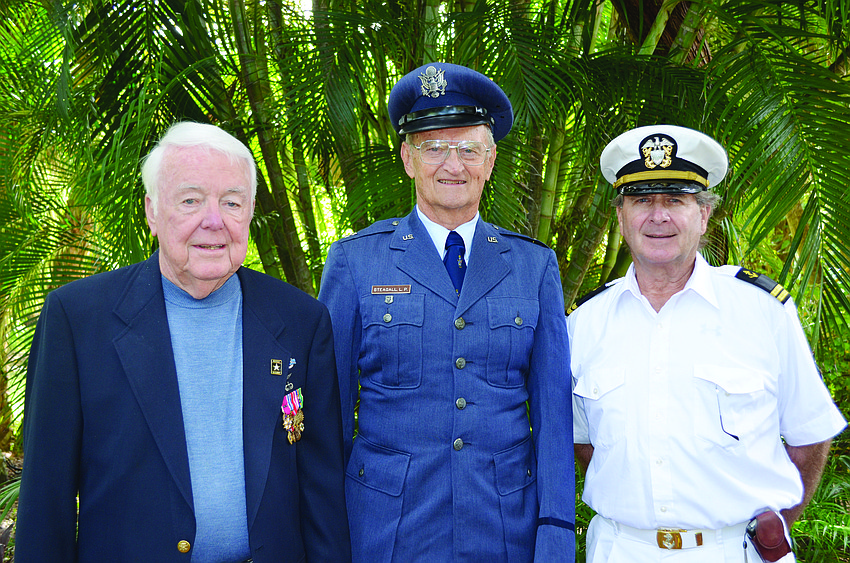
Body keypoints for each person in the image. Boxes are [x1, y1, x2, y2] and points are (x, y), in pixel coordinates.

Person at [15, 122, 352, 562]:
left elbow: (321, 489)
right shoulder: (78, 319)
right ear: (152, 212)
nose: (213, 220)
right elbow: (46, 499)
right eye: (191, 200)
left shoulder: (301, 320)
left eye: (231, 202)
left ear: (250, 212)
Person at [318, 62, 575, 562]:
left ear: (490, 160)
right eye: (434, 147)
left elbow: (553, 416)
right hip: (386, 533)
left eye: (469, 150)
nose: (453, 165)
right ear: (408, 158)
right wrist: (326, 539)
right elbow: (329, 417)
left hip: (504, 531)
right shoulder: (356, 262)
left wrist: (556, 533)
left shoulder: (533, 266)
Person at [568, 124, 847, 562]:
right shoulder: (584, 323)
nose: (658, 216)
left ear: (703, 215)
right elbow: (584, 442)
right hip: (622, 548)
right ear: (620, 217)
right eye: (642, 201)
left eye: (675, 200)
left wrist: (771, 531)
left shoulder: (762, 310)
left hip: (737, 550)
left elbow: (810, 433)